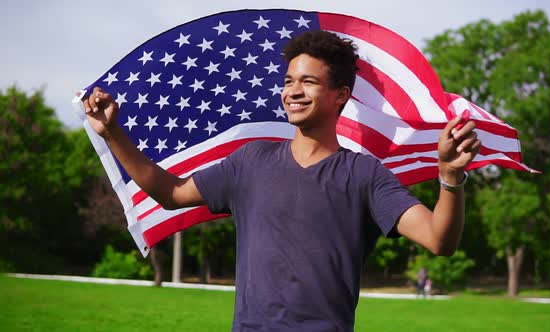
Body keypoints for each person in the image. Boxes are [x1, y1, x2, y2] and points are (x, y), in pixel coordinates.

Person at [83, 30, 480, 331]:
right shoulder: (250, 161)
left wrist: (449, 176)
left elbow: (438, 240)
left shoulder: (364, 174)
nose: (292, 91)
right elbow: (169, 193)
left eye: (307, 82)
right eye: (289, 81)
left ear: (341, 95)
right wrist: (112, 133)